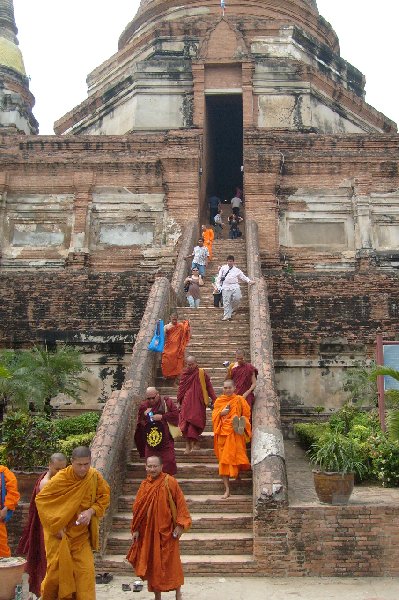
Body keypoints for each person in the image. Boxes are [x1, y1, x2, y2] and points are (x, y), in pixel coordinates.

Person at [35, 446, 110, 600]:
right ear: (72, 462)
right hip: (60, 537)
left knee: (86, 575)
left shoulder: (94, 477)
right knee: (56, 579)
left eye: (86, 464)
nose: (83, 469)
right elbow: (42, 501)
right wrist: (56, 526)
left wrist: (91, 511)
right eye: (79, 464)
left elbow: (104, 497)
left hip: (81, 538)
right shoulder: (61, 478)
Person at [126, 456, 192, 600]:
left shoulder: (170, 482)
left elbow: (181, 504)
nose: (152, 469)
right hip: (149, 532)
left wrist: (180, 526)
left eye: (155, 466)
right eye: (149, 466)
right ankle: (157, 596)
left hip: (168, 531)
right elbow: (137, 509)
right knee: (154, 565)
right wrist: (136, 529)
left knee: (172, 564)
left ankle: (178, 593)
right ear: (145, 467)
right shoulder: (144, 486)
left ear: (161, 467)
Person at [17, 453, 67, 598]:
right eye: (57, 469)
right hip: (48, 528)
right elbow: (47, 511)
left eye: (63, 469)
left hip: (61, 526)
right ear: (50, 465)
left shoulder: (63, 478)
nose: (60, 472)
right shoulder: (45, 483)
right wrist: (56, 528)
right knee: (48, 564)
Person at [212, 380, 252, 499]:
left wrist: (240, 422)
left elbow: (247, 415)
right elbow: (214, 416)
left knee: (237, 457)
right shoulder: (219, 401)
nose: (227, 390)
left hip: (236, 433)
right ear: (223, 388)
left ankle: (237, 476)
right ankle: (227, 489)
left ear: (234, 388)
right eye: (225, 388)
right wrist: (221, 413)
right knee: (224, 462)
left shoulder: (240, 400)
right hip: (223, 434)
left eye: (229, 387)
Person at [134, 387, 179, 475]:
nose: (151, 400)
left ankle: (167, 484)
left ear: (158, 394)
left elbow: (175, 414)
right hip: (151, 441)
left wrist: (162, 417)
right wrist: (145, 415)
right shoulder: (144, 406)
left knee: (169, 462)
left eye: (153, 398)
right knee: (151, 465)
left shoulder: (166, 402)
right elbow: (140, 422)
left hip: (165, 440)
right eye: (148, 398)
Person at [177, 356, 216, 454]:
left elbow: (209, 387)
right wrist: (178, 402)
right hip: (186, 401)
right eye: (188, 365)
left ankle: (194, 442)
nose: (190, 367)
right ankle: (188, 444)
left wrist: (215, 399)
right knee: (186, 422)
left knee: (195, 421)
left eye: (192, 364)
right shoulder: (185, 374)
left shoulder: (202, 373)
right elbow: (181, 388)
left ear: (196, 363)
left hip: (198, 401)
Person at [216, 255, 255, 321]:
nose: (229, 263)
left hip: (234, 286)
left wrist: (249, 281)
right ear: (227, 261)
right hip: (226, 286)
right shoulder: (223, 268)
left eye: (231, 261)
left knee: (238, 298)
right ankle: (227, 316)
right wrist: (218, 286)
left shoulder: (237, 270)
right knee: (226, 301)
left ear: (233, 262)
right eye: (228, 261)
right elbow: (219, 277)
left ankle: (231, 310)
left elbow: (243, 277)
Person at [161, 313, 190, 382]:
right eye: (173, 319)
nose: (174, 320)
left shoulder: (180, 325)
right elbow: (161, 336)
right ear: (170, 318)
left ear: (177, 319)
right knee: (166, 360)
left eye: (175, 319)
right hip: (169, 347)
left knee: (178, 362)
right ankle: (167, 375)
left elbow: (186, 329)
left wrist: (188, 323)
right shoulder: (166, 326)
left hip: (178, 348)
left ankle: (176, 377)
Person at [0, 464, 20, 557]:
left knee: (1, 547)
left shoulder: (4, 472)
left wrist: (6, 508)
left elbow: (13, 493)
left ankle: (4, 570)